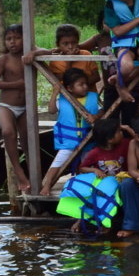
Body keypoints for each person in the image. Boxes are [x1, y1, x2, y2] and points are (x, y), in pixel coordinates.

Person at [40, 68, 100, 196]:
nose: (85, 87)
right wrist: (55, 93)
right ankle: (47, 185)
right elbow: (51, 110)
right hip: (69, 140)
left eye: (86, 84)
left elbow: (102, 110)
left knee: (88, 163)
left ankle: (87, 186)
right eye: (81, 85)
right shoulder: (63, 99)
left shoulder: (93, 97)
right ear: (69, 88)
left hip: (88, 139)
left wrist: (95, 117)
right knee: (58, 162)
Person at [23, 23, 102, 113]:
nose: (70, 46)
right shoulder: (56, 61)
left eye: (74, 43)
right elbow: (64, 81)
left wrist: (81, 85)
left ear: (78, 42)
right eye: (65, 44)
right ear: (58, 45)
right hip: (68, 99)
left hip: (89, 98)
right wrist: (69, 62)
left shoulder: (86, 55)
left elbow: (97, 77)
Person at [0, 23, 30, 193]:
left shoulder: (28, 56)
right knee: (8, 132)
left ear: (25, 39)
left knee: (28, 140)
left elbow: (46, 51)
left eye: (17, 38)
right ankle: (19, 173)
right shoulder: (4, 59)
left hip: (26, 107)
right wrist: (16, 84)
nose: (12, 42)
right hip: (7, 106)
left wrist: (34, 52)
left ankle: (34, 174)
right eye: (9, 39)